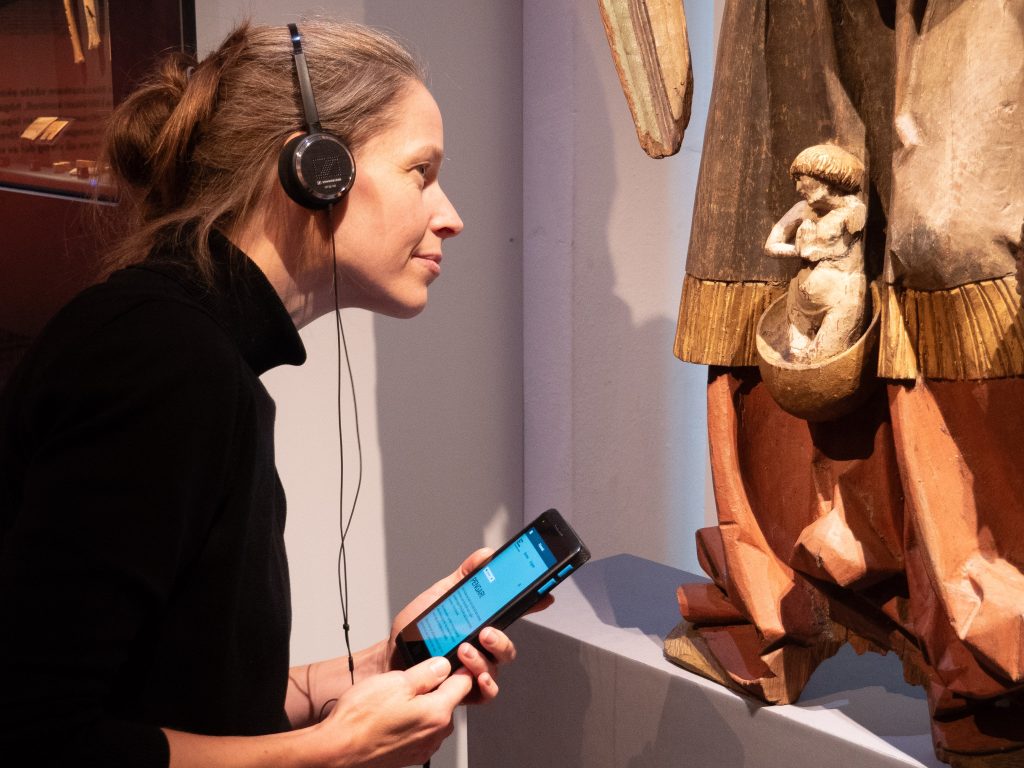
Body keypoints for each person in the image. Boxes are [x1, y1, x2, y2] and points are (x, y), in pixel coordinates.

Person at [0, 19, 532, 767]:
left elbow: (166, 692)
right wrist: (331, 753)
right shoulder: (162, 364)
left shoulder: (186, 351)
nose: (451, 215)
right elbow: (36, 738)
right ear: (318, 170)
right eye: (421, 171)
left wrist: (366, 671)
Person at [763, 144, 867, 363]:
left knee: (822, 360)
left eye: (802, 179)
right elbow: (771, 244)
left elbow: (845, 249)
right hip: (799, 302)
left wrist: (817, 250)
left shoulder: (853, 210)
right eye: (796, 180)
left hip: (839, 300)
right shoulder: (802, 209)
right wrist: (798, 251)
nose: (798, 187)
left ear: (826, 176)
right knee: (797, 362)